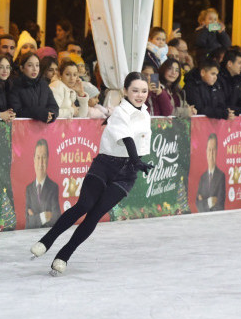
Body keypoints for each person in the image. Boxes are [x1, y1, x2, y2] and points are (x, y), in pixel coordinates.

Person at [30, 72, 154, 275]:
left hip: (126, 174)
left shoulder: (146, 114)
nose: (140, 95)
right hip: (105, 166)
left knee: (94, 215)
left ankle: (64, 255)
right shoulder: (120, 112)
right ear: (125, 91)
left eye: (144, 91)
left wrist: (136, 163)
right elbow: (128, 139)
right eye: (135, 91)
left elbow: (140, 143)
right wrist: (137, 160)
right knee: (85, 205)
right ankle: (47, 240)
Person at [8, 52, 58, 123]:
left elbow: (54, 106)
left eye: (37, 65)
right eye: (30, 65)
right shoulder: (15, 85)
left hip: (43, 129)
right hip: (22, 129)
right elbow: (16, 111)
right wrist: (38, 113)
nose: (35, 69)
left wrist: (51, 115)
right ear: (22, 68)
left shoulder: (43, 84)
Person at [25, 139, 61, 229]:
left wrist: (34, 218)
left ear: (48, 159)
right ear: (34, 160)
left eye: (44, 157)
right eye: (38, 157)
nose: (40, 163)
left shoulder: (53, 187)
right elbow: (27, 223)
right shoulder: (28, 189)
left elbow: (56, 219)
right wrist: (44, 216)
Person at [196, 133, 226, 212]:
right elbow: (198, 205)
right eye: (209, 150)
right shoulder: (202, 178)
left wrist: (204, 202)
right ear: (206, 152)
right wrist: (210, 202)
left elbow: (220, 206)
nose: (211, 153)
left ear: (217, 151)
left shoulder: (221, 176)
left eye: (213, 150)